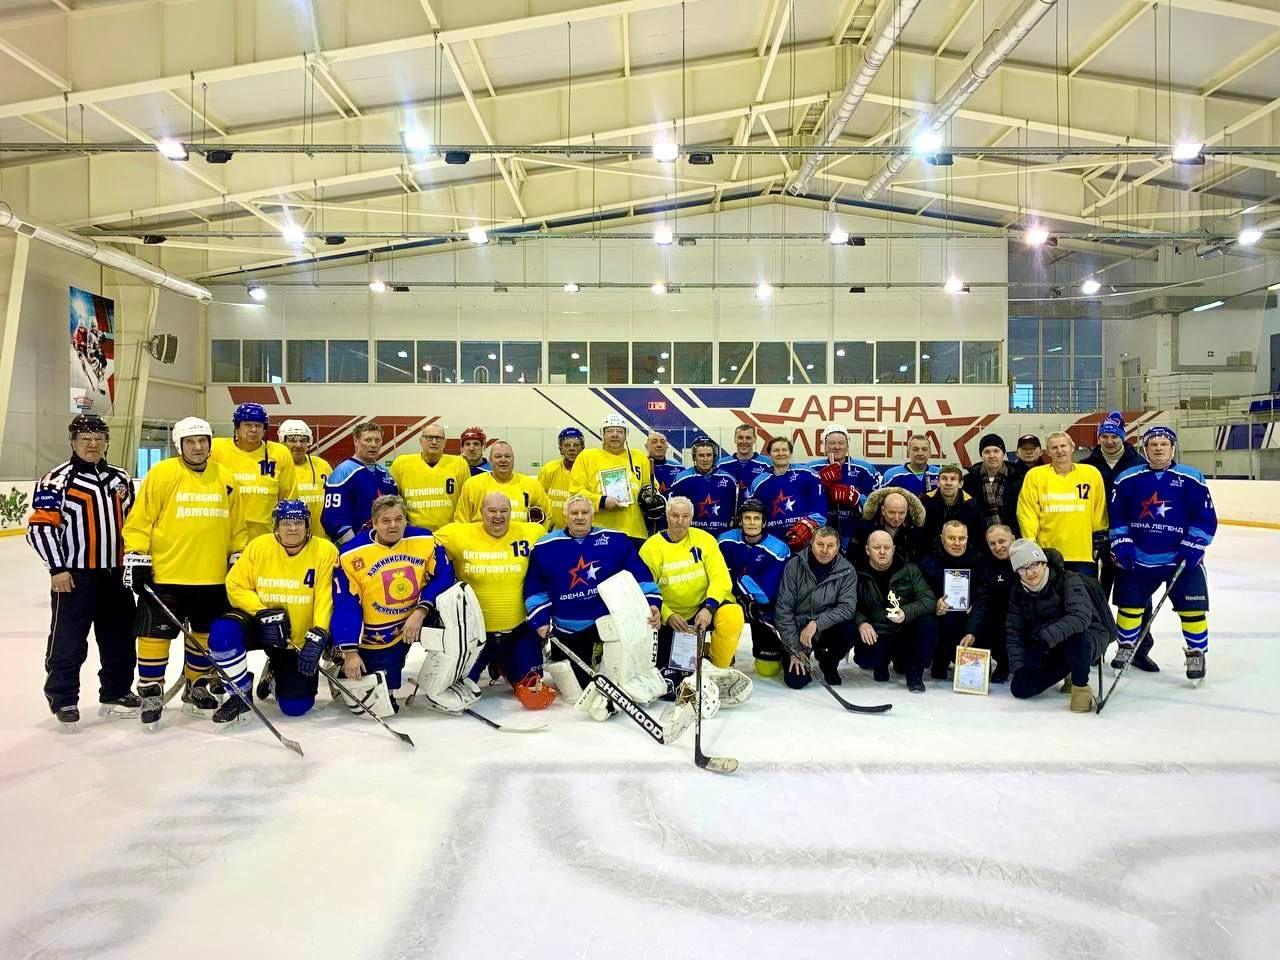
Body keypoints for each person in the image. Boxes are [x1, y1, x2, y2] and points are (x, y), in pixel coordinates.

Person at [123, 417, 248, 725]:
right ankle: (151, 691)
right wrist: (137, 557)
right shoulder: (163, 473)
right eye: (190, 442)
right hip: (167, 575)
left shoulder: (226, 477)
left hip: (212, 577)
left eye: (203, 441)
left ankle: (197, 686)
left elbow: (237, 526)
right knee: (154, 635)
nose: (198, 447)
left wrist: (237, 556)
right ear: (179, 445)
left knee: (203, 636)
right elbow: (140, 521)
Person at [27, 414, 140, 730]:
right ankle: (63, 698)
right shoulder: (57, 480)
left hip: (116, 575)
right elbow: (40, 528)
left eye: (98, 438)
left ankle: (116, 692)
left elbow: (135, 524)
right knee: (68, 641)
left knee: (120, 638)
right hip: (75, 577)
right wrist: (57, 568)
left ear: (106, 442)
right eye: (85, 438)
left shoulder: (120, 479)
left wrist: (137, 563)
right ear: (73, 442)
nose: (92, 444)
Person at [207, 499, 339, 724]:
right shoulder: (259, 546)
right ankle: (239, 694)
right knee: (223, 632)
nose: (293, 528)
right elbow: (235, 584)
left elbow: (325, 597)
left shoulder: (325, 550)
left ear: (308, 525)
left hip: (295, 638)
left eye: (299, 522)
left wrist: (318, 634)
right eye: (286, 522)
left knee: (296, 707)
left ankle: (274, 675)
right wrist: (262, 612)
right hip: (260, 624)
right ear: (276, 525)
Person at [1109, 425, 1217, 683]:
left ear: (1172, 448)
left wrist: (1194, 544)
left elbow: (1205, 515)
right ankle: (1126, 647)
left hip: (1180, 559)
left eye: (1164, 444)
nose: (1158, 448)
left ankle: (1196, 652)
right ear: (1145, 449)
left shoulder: (1192, 478)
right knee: (1129, 606)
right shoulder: (1127, 478)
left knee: (1192, 609)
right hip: (1138, 558)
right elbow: (1117, 515)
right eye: (1153, 444)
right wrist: (1121, 543)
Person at [524, 494, 661, 690]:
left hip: (610, 624)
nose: (580, 517)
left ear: (592, 515)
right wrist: (541, 619)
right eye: (574, 513)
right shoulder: (544, 547)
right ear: (565, 516)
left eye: (585, 512)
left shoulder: (615, 540)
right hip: (569, 629)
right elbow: (535, 586)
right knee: (581, 688)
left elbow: (640, 574)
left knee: (617, 681)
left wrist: (652, 604)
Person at [332, 495, 455, 711]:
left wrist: (421, 610)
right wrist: (350, 651)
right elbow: (346, 604)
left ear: (406, 519)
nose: (393, 525)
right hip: (379, 636)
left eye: (399, 519)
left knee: (459, 603)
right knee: (383, 704)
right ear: (374, 523)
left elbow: (445, 575)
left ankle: (450, 679)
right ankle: (340, 663)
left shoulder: (424, 540)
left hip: (417, 619)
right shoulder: (351, 554)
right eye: (386, 521)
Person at [433, 493, 555, 707]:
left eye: (503, 511)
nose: (498, 516)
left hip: (518, 631)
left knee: (533, 692)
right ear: (481, 512)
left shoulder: (533, 532)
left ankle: (504, 664)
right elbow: (419, 545)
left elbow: (560, 552)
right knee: (461, 689)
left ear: (511, 512)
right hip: (474, 637)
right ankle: (489, 663)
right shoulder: (456, 534)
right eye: (491, 511)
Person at [640, 496, 745, 694]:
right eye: (675, 515)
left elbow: (721, 579)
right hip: (671, 617)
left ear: (691, 518)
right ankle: (698, 654)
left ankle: (718, 669)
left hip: (702, 609)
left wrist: (709, 608)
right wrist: (667, 615)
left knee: (732, 614)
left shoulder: (705, 539)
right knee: (672, 683)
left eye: (685, 516)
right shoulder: (651, 548)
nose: (680, 521)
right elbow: (645, 588)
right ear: (667, 517)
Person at [1006, 539, 1107, 712]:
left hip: (1086, 636)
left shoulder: (1069, 579)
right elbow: (1013, 630)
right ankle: (1067, 668)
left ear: (1043, 563)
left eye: (1033, 565)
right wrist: (1019, 667)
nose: (1029, 573)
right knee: (1020, 688)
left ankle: (1080, 686)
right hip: (1048, 644)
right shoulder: (1018, 591)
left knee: (1076, 637)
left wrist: (1044, 640)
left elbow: (1080, 617)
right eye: (1022, 569)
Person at [774, 526, 860, 689]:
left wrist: (816, 623)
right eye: (820, 544)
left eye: (830, 545)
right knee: (797, 681)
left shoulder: (847, 570)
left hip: (826, 627)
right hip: (798, 631)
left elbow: (847, 608)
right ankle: (793, 655)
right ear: (811, 543)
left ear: (838, 547)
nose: (825, 550)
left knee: (850, 629)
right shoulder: (794, 566)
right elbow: (783, 610)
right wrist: (795, 650)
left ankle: (829, 661)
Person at [853, 529, 936, 692]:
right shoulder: (857, 573)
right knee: (867, 661)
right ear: (867, 550)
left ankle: (914, 674)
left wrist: (905, 612)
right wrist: (862, 622)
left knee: (928, 622)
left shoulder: (909, 570)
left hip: (903, 631)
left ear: (893, 549)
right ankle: (881, 662)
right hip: (876, 631)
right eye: (877, 547)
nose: (882, 552)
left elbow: (929, 600)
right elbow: (848, 605)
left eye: (887, 547)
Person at [1016, 431, 1107, 577]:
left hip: (1083, 554)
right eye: (1054, 448)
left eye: (1063, 446)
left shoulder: (1091, 474)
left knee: (1083, 592)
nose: (1059, 450)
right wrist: (1031, 544)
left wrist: (1099, 537)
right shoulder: (1035, 475)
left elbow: (1099, 509)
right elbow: (1027, 512)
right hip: (1048, 554)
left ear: (1072, 448)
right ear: (1048, 452)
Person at [717, 498, 790, 677]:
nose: (751, 523)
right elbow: (719, 577)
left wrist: (739, 580)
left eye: (756, 518)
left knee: (767, 670)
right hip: (733, 600)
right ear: (740, 520)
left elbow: (766, 595)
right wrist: (741, 593)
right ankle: (717, 651)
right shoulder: (725, 540)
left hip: (763, 608)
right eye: (747, 518)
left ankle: (779, 653)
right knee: (726, 616)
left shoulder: (778, 548)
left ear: (764, 522)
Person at [209, 402, 296, 541]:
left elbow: (288, 497)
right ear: (237, 427)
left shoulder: (279, 453)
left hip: (265, 538)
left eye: (259, 425)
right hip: (224, 535)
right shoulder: (216, 449)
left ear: (264, 429)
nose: (254, 429)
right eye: (248, 425)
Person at [570, 413, 654, 543]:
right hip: (599, 533)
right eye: (610, 431)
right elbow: (575, 493)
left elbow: (651, 488)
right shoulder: (586, 457)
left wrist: (653, 499)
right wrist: (602, 501)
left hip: (634, 532)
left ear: (626, 435)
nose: (615, 435)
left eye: (620, 431)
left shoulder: (639, 457)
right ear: (602, 434)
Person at [918, 520, 986, 681]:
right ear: (942, 539)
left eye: (961, 538)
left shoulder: (979, 561)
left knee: (978, 676)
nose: (957, 543)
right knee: (926, 621)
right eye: (951, 538)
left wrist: (972, 628)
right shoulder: (927, 563)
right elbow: (919, 595)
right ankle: (937, 658)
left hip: (967, 621)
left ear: (967, 538)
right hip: (940, 621)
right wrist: (934, 604)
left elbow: (984, 599)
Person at [322, 421, 398, 544]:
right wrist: (354, 545)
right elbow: (333, 518)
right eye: (368, 440)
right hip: (357, 546)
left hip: (385, 545)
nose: (373, 445)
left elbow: (396, 512)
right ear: (356, 441)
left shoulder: (386, 475)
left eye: (377, 440)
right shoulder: (343, 472)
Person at [747, 436, 826, 551]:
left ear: (790, 453)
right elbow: (753, 514)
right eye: (776, 450)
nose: (781, 453)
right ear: (769, 455)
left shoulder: (808, 474)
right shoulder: (759, 482)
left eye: (784, 450)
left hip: (806, 544)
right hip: (773, 544)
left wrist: (807, 525)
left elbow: (820, 509)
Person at [810, 422, 881, 548]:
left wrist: (858, 498)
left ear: (847, 445)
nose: (837, 447)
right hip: (822, 534)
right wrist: (821, 485)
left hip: (856, 533)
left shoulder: (866, 469)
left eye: (841, 443)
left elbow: (878, 504)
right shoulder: (811, 469)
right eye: (832, 443)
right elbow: (803, 499)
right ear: (825, 446)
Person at [389, 422, 471, 532]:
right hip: (414, 533)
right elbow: (392, 501)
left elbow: (467, 503)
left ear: (445, 442)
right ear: (421, 441)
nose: (434, 442)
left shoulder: (459, 464)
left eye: (438, 438)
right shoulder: (401, 464)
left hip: (449, 533)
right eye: (429, 437)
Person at [455, 440, 550, 526]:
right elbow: (461, 522)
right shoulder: (472, 485)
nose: (503, 460)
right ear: (490, 461)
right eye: (498, 456)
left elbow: (547, 517)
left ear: (513, 459)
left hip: (521, 540)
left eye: (507, 456)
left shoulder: (532, 485)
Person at [670, 436, 738, 537]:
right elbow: (672, 511)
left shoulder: (729, 480)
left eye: (709, 455)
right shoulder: (681, 479)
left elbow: (734, 511)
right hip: (692, 536)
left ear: (714, 457)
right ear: (694, 457)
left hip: (721, 537)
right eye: (701, 455)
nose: (705, 459)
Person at [972, 524, 1015, 682]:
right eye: (992, 543)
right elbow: (982, 601)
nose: (998, 547)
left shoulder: (1027, 559)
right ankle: (986, 666)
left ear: (1013, 539)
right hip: (997, 613)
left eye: (1002, 541)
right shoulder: (984, 565)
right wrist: (971, 631)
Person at [279, 419, 331, 538]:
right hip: (289, 539)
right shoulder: (277, 469)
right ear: (282, 442)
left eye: (303, 440)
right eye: (292, 440)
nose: (298, 445)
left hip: (322, 540)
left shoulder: (322, 465)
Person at [963, 433, 1022, 536]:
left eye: (996, 451)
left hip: (1011, 536)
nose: (992, 456)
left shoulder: (1017, 479)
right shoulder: (968, 480)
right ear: (981, 455)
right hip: (978, 537)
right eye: (987, 452)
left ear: (1003, 453)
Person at [853, 486, 926, 562]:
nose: (897, 518)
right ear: (883, 510)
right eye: (892, 512)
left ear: (907, 511)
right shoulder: (865, 529)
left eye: (901, 513)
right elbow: (855, 556)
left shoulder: (914, 531)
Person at [921, 464, 984, 545]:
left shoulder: (971, 506)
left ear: (960, 484)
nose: (948, 483)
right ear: (938, 482)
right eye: (944, 479)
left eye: (953, 479)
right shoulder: (925, 502)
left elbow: (977, 538)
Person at [537, 427, 585, 529]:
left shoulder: (588, 472)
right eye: (567, 445)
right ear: (560, 449)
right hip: (552, 532)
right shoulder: (548, 470)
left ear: (582, 448)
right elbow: (537, 501)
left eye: (576, 445)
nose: (572, 448)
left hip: (581, 530)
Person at [716, 423, 771, 498]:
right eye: (740, 438)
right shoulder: (722, 464)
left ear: (754, 439)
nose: (744, 441)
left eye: (748, 438)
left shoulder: (766, 463)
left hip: (759, 505)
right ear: (735, 439)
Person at [646, 431, 682, 497]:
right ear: (646, 446)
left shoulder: (679, 467)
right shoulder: (641, 467)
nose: (659, 445)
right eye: (654, 442)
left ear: (667, 446)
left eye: (662, 442)